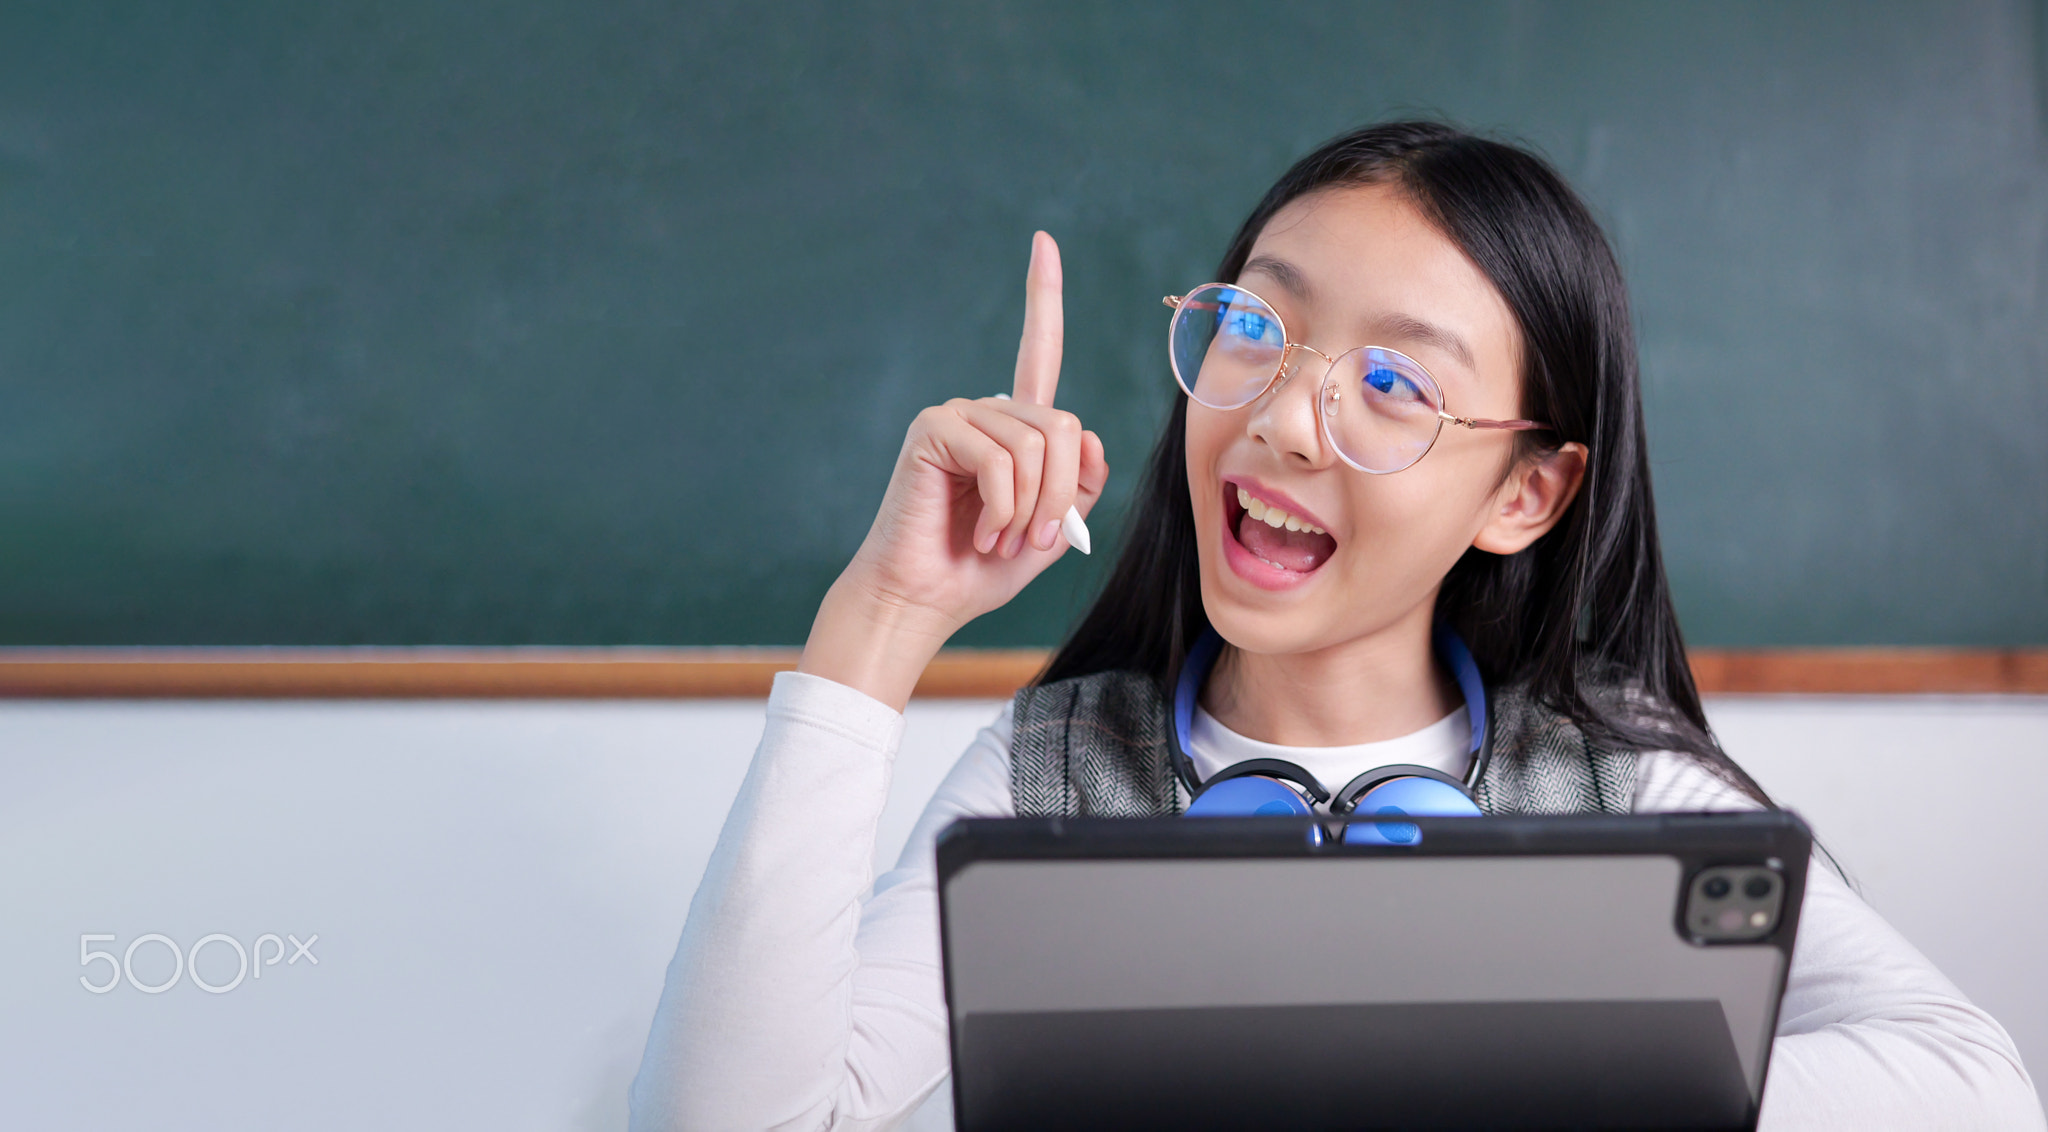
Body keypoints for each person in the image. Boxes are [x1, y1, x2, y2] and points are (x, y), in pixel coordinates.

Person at [629, 122, 2044, 1130]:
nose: (1287, 418)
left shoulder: (1616, 784)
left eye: (1394, 383)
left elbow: (1977, 1087)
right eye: (1255, 328)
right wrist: (883, 619)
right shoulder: (1057, 774)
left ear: (1526, 493)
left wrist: (1471, 1065)